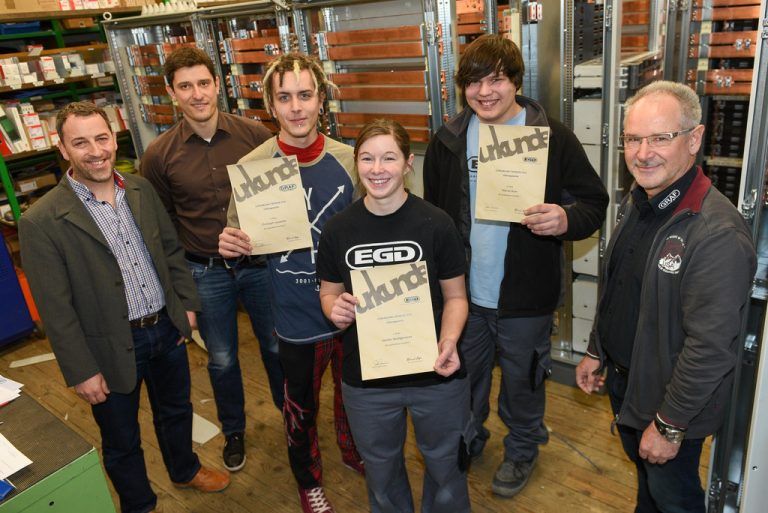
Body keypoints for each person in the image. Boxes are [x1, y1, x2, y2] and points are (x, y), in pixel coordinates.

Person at [18, 102, 230, 513]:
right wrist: (81, 369)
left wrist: (185, 306)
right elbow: (55, 309)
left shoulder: (139, 190)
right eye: (80, 143)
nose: (95, 151)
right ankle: (139, 504)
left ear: (114, 139)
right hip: (108, 346)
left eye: (101, 138)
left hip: (165, 329)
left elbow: (170, 251)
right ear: (62, 149)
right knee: (121, 437)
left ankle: (184, 469)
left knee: (176, 410)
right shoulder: (42, 220)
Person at [423, 33, 609, 497]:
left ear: (516, 82)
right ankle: (471, 436)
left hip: (524, 299)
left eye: (497, 80)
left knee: (523, 386)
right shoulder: (447, 141)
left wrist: (564, 217)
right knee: (464, 380)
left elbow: (594, 203)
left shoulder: (552, 138)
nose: (485, 92)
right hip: (462, 297)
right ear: (461, 86)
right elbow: (434, 220)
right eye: (474, 82)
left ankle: (523, 449)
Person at [575, 81, 756, 513]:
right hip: (629, 383)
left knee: (674, 497)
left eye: (660, 138)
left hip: (670, 405)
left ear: (694, 139)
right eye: (633, 139)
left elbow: (711, 348)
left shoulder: (715, 233)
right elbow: (620, 287)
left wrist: (670, 426)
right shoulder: (638, 201)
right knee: (650, 490)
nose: (642, 153)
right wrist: (597, 349)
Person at [217, 52, 362, 513]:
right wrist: (231, 246)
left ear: (321, 99)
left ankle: (352, 448)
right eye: (285, 97)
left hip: (350, 311)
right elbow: (239, 239)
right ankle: (308, 479)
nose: (296, 107)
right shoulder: (254, 168)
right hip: (294, 317)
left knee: (353, 394)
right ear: (270, 105)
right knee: (299, 408)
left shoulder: (350, 160)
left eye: (305, 95)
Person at [317, 119, 472, 513]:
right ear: (357, 164)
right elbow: (329, 293)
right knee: (382, 475)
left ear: (407, 164)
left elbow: (456, 297)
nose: (377, 168)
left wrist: (450, 340)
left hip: (434, 373)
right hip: (368, 382)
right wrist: (334, 311)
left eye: (389, 157)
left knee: (445, 469)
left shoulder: (436, 223)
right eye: (367, 158)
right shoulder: (338, 230)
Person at [141, 46, 280, 473]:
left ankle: (295, 418)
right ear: (172, 93)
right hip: (206, 272)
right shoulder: (158, 157)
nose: (197, 94)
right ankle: (234, 429)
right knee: (221, 360)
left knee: (277, 346)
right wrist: (180, 291)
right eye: (186, 86)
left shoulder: (256, 136)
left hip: (260, 268)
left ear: (217, 84)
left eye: (204, 83)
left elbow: (279, 199)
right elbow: (163, 228)